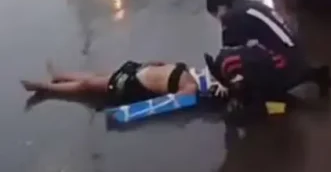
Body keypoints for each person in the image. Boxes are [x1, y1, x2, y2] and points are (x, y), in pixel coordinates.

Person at [205, 0, 331, 98]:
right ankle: (313, 74)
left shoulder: (232, 16)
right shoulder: (248, 7)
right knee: (249, 55)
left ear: (221, 8)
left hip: (285, 64)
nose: (218, 19)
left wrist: (221, 81)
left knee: (226, 61)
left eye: (215, 14)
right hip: (295, 58)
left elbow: (228, 50)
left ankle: (246, 96)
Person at [21, 59, 228, 105]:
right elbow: (162, 63)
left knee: (88, 86)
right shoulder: (189, 71)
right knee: (96, 77)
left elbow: (165, 102)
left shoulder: (190, 88)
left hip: (132, 85)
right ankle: (61, 75)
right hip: (136, 71)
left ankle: (46, 88)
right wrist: (146, 64)